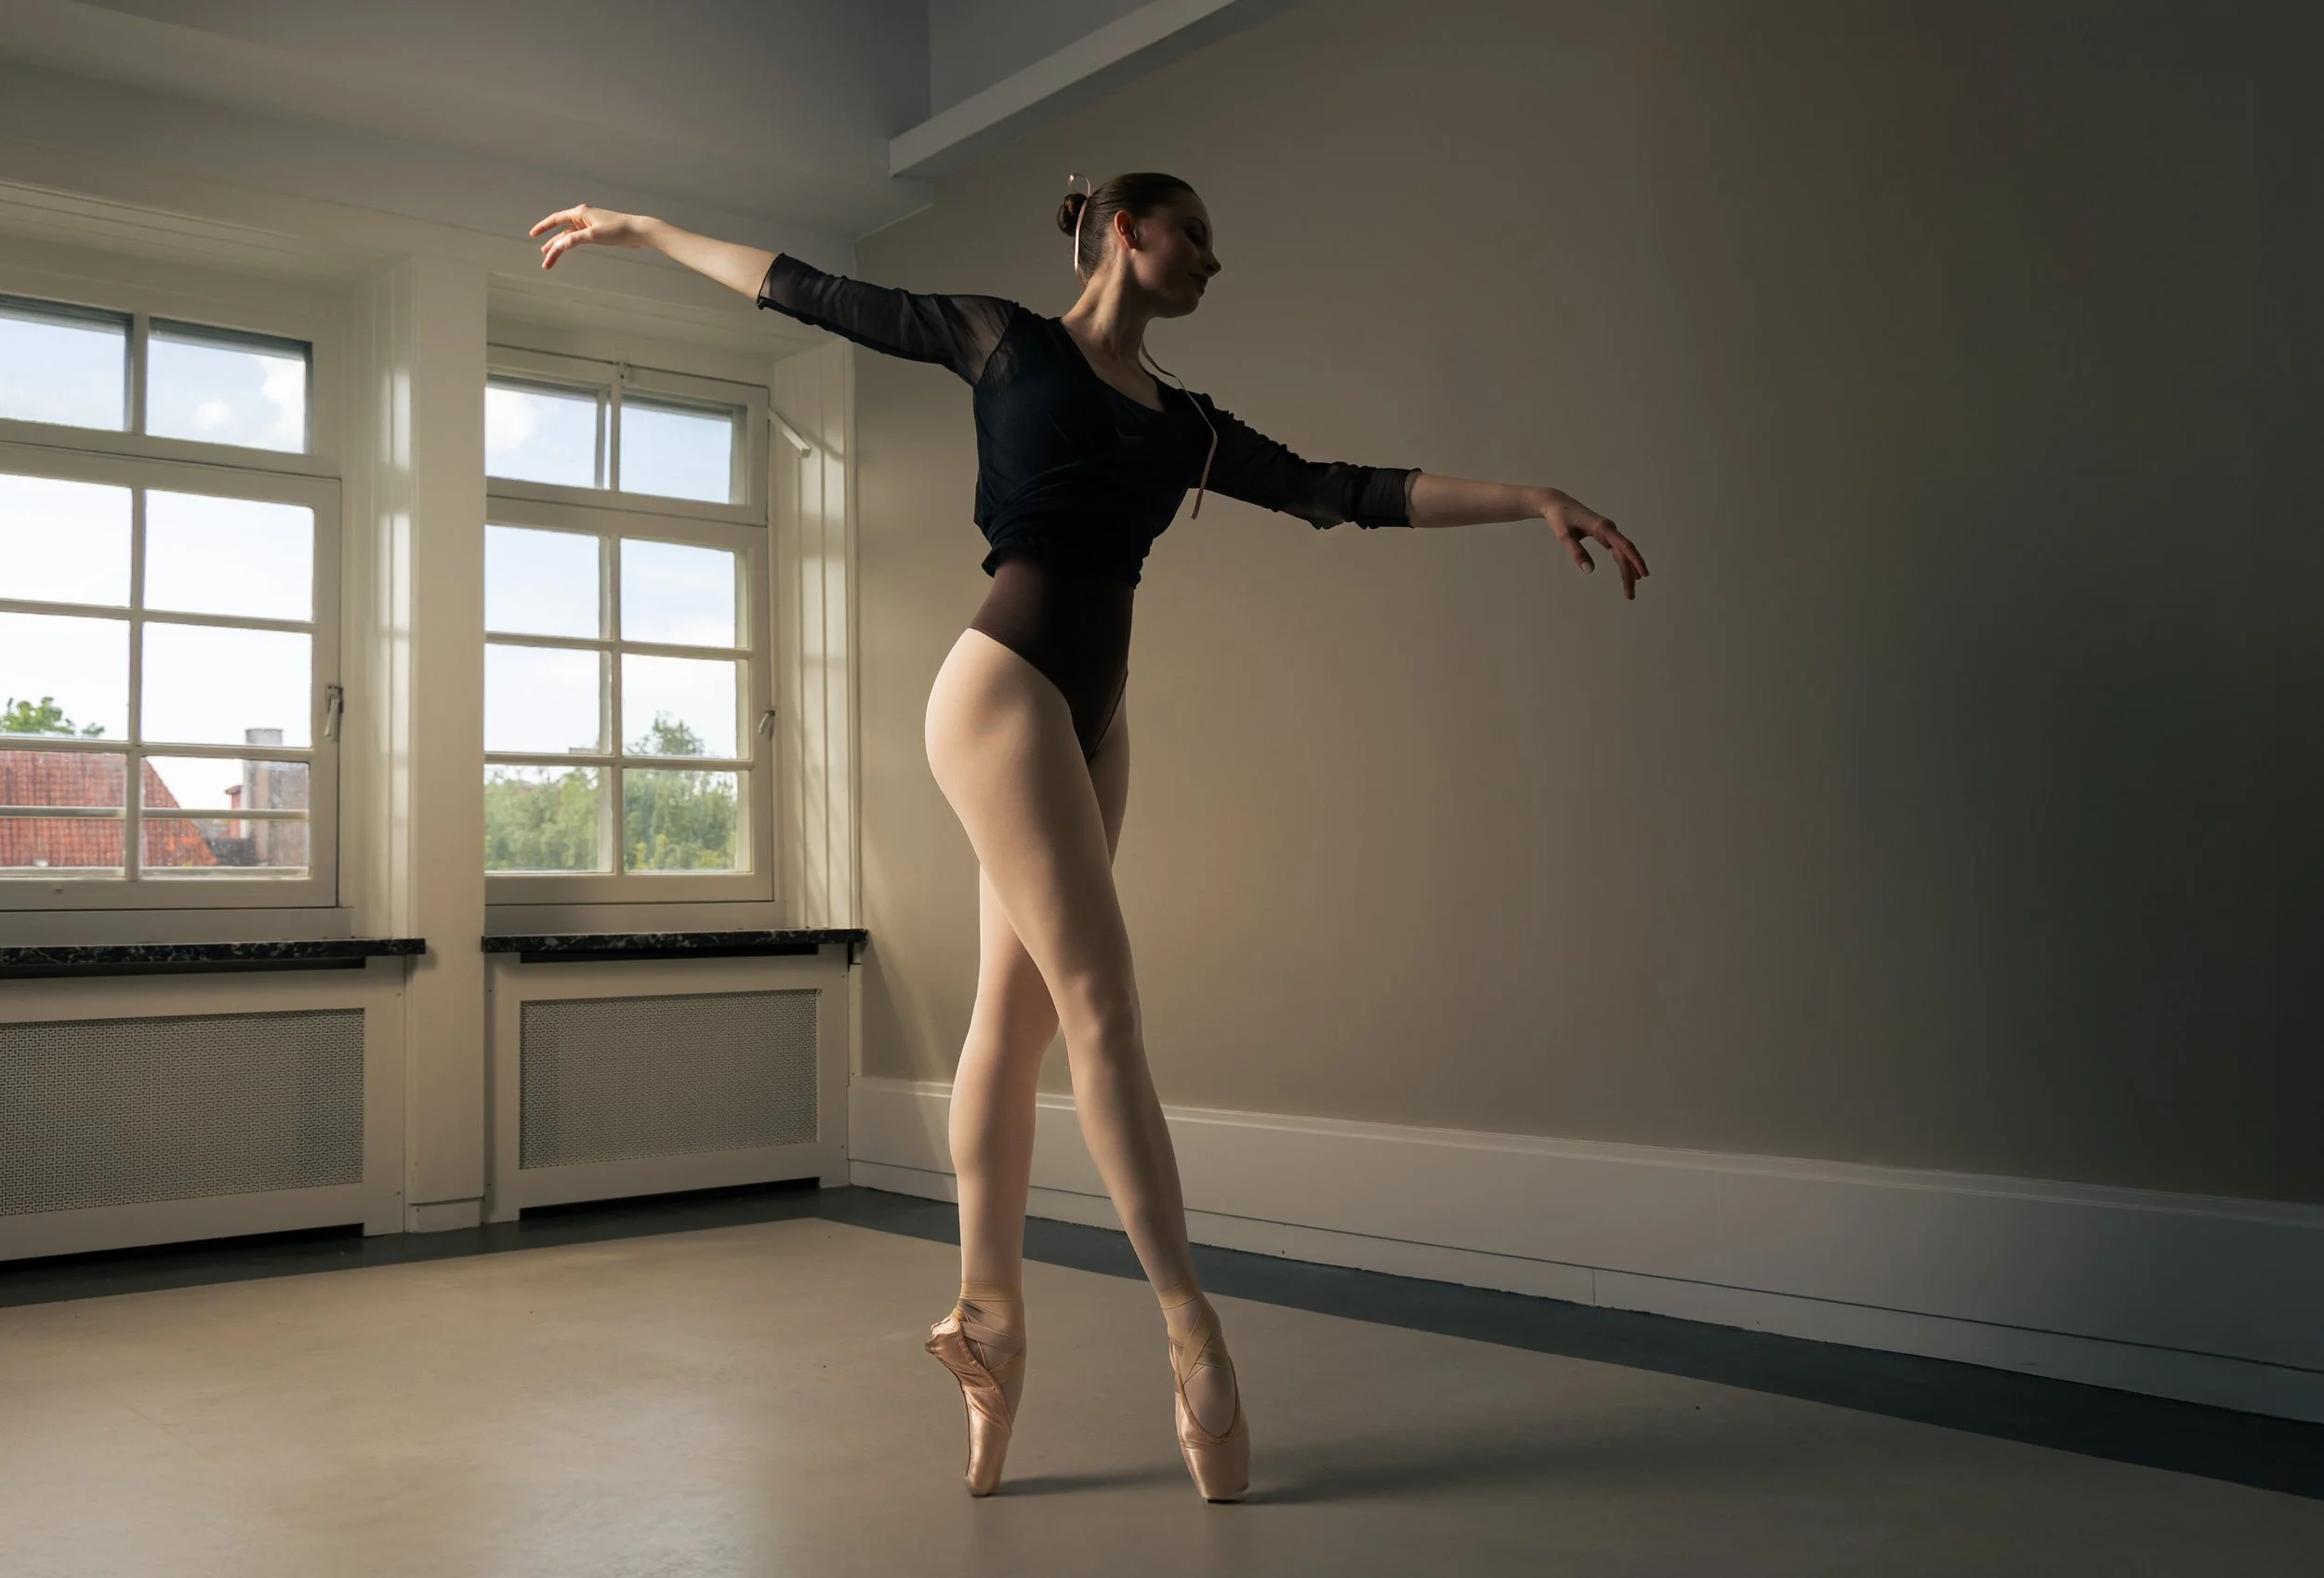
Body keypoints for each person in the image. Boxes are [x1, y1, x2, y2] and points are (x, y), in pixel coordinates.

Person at [529, 173, 1648, 1503]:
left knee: (1022, 1016)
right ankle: (1192, 1327)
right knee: (1104, 1005)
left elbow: (1344, 491)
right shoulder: (1005, 341)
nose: (1214, 265)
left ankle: (987, 1320)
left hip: (1090, 716)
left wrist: (1533, 497)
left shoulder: (1185, 427)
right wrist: (645, 231)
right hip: (999, 688)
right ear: (1127, 228)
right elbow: (810, 290)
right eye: (1197, 237)